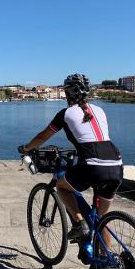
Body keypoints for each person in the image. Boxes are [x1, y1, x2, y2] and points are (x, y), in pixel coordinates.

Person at [19, 74, 123, 242]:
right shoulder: (100, 111)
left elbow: (42, 137)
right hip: (116, 163)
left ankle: (79, 224)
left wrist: (25, 148)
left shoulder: (66, 114)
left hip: (93, 165)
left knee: (62, 187)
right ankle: (107, 264)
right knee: (101, 219)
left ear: (67, 93)